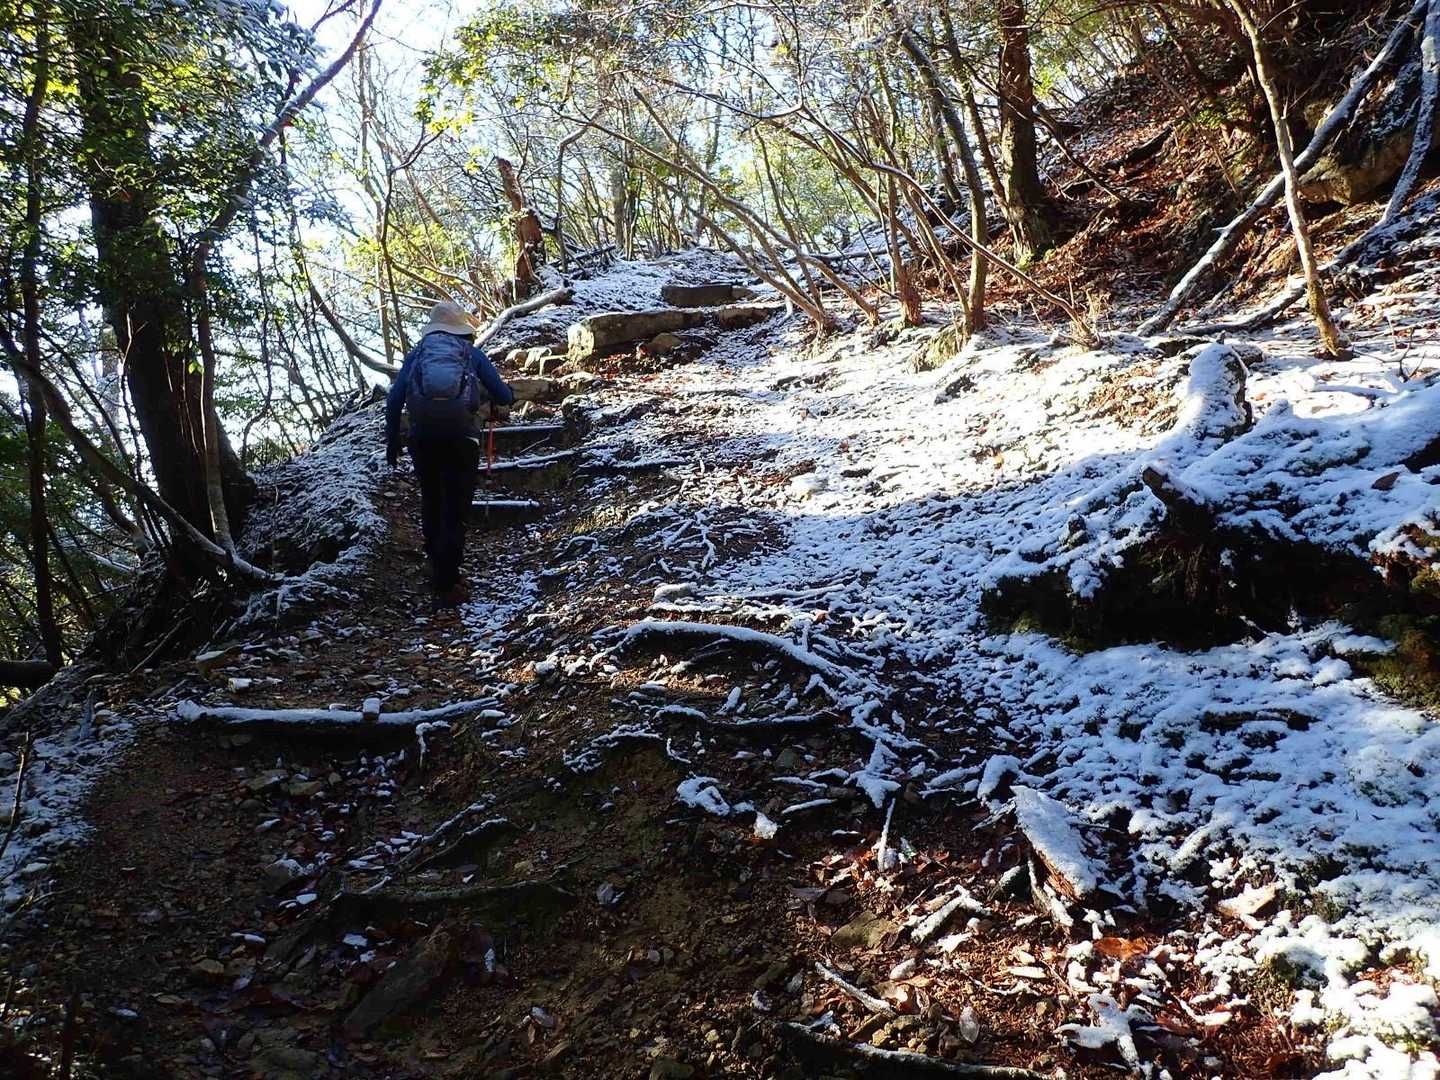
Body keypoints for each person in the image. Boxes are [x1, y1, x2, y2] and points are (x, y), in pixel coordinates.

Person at [385, 300, 515, 606]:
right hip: (462, 438)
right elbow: (502, 395)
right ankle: (449, 579)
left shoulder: (417, 354)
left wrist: (392, 441)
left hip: (423, 439)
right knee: (456, 507)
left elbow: (394, 400)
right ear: (461, 328)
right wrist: (505, 395)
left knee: (431, 498)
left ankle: (435, 564)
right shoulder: (470, 353)